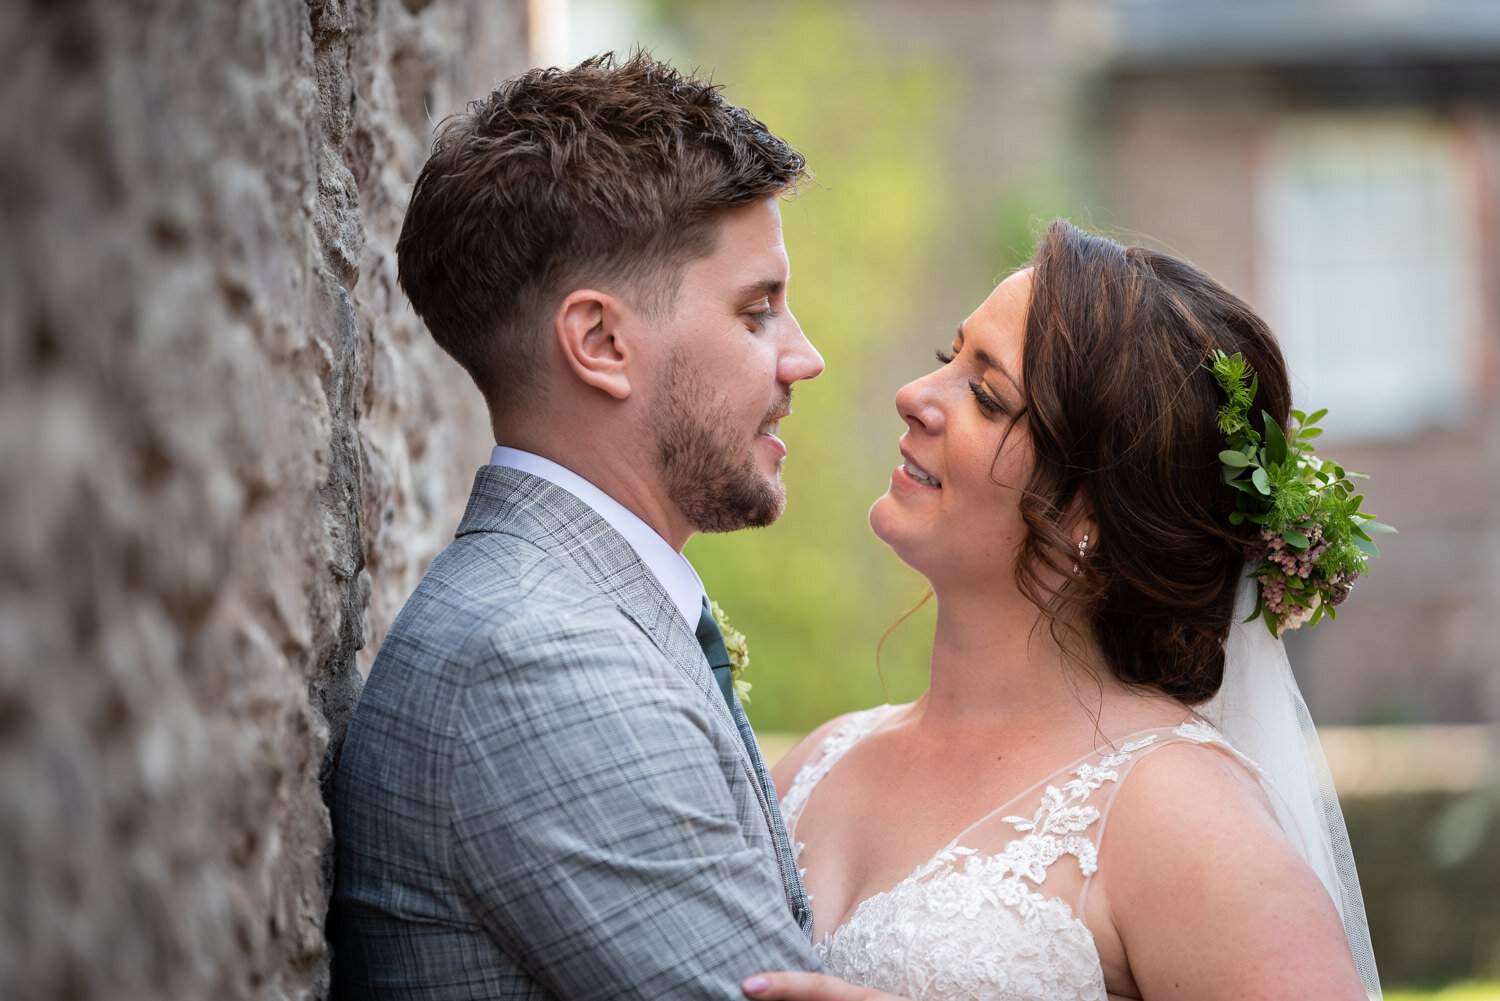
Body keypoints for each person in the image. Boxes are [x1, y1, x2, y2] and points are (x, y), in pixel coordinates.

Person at [741, 221, 1383, 1001]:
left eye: (985, 393)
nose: (914, 396)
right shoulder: (816, 762)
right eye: (950, 359)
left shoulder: (1177, 810)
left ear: (1092, 512)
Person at [327, 53, 832, 998]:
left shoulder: (572, 615)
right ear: (601, 343)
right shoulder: (541, 660)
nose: (803, 358)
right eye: (757, 311)